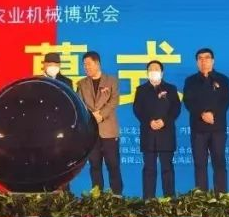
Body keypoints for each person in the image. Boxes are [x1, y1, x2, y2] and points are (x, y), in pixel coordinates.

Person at [183, 48, 229, 193]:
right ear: (197, 62)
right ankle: (201, 198)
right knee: (200, 164)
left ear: (213, 61)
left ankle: (221, 197)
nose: (203, 61)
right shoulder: (190, 81)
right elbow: (188, 101)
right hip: (198, 129)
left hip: (218, 128)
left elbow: (225, 101)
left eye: (207, 57)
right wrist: (202, 114)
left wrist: (213, 114)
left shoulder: (223, 79)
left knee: (219, 164)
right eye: (200, 58)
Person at [133, 60, 181, 198]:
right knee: (149, 169)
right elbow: (137, 109)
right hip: (148, 133)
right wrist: (149, 121)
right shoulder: (141, 89)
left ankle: (169, 200)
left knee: (167, 168)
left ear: (162, 72)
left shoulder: (171, 89)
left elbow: (176, 109)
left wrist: (164, 121)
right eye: (151, 69)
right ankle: (148, 201)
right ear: (147, 73)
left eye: (156, 69)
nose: (153, 71)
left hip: (166, 133)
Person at [77, 51, 122, 195]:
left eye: (88, 64)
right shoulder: (81, 84)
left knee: (113, 165)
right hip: (92, 132)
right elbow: (80, 104)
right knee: (94, 166)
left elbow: (114, 101)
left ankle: (117, 196)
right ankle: (97, 197)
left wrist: (101, 115)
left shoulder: (112, 81)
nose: (86, 67)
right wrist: (92, 116)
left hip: (109, 131)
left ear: (97, 64)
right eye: (84, 65)